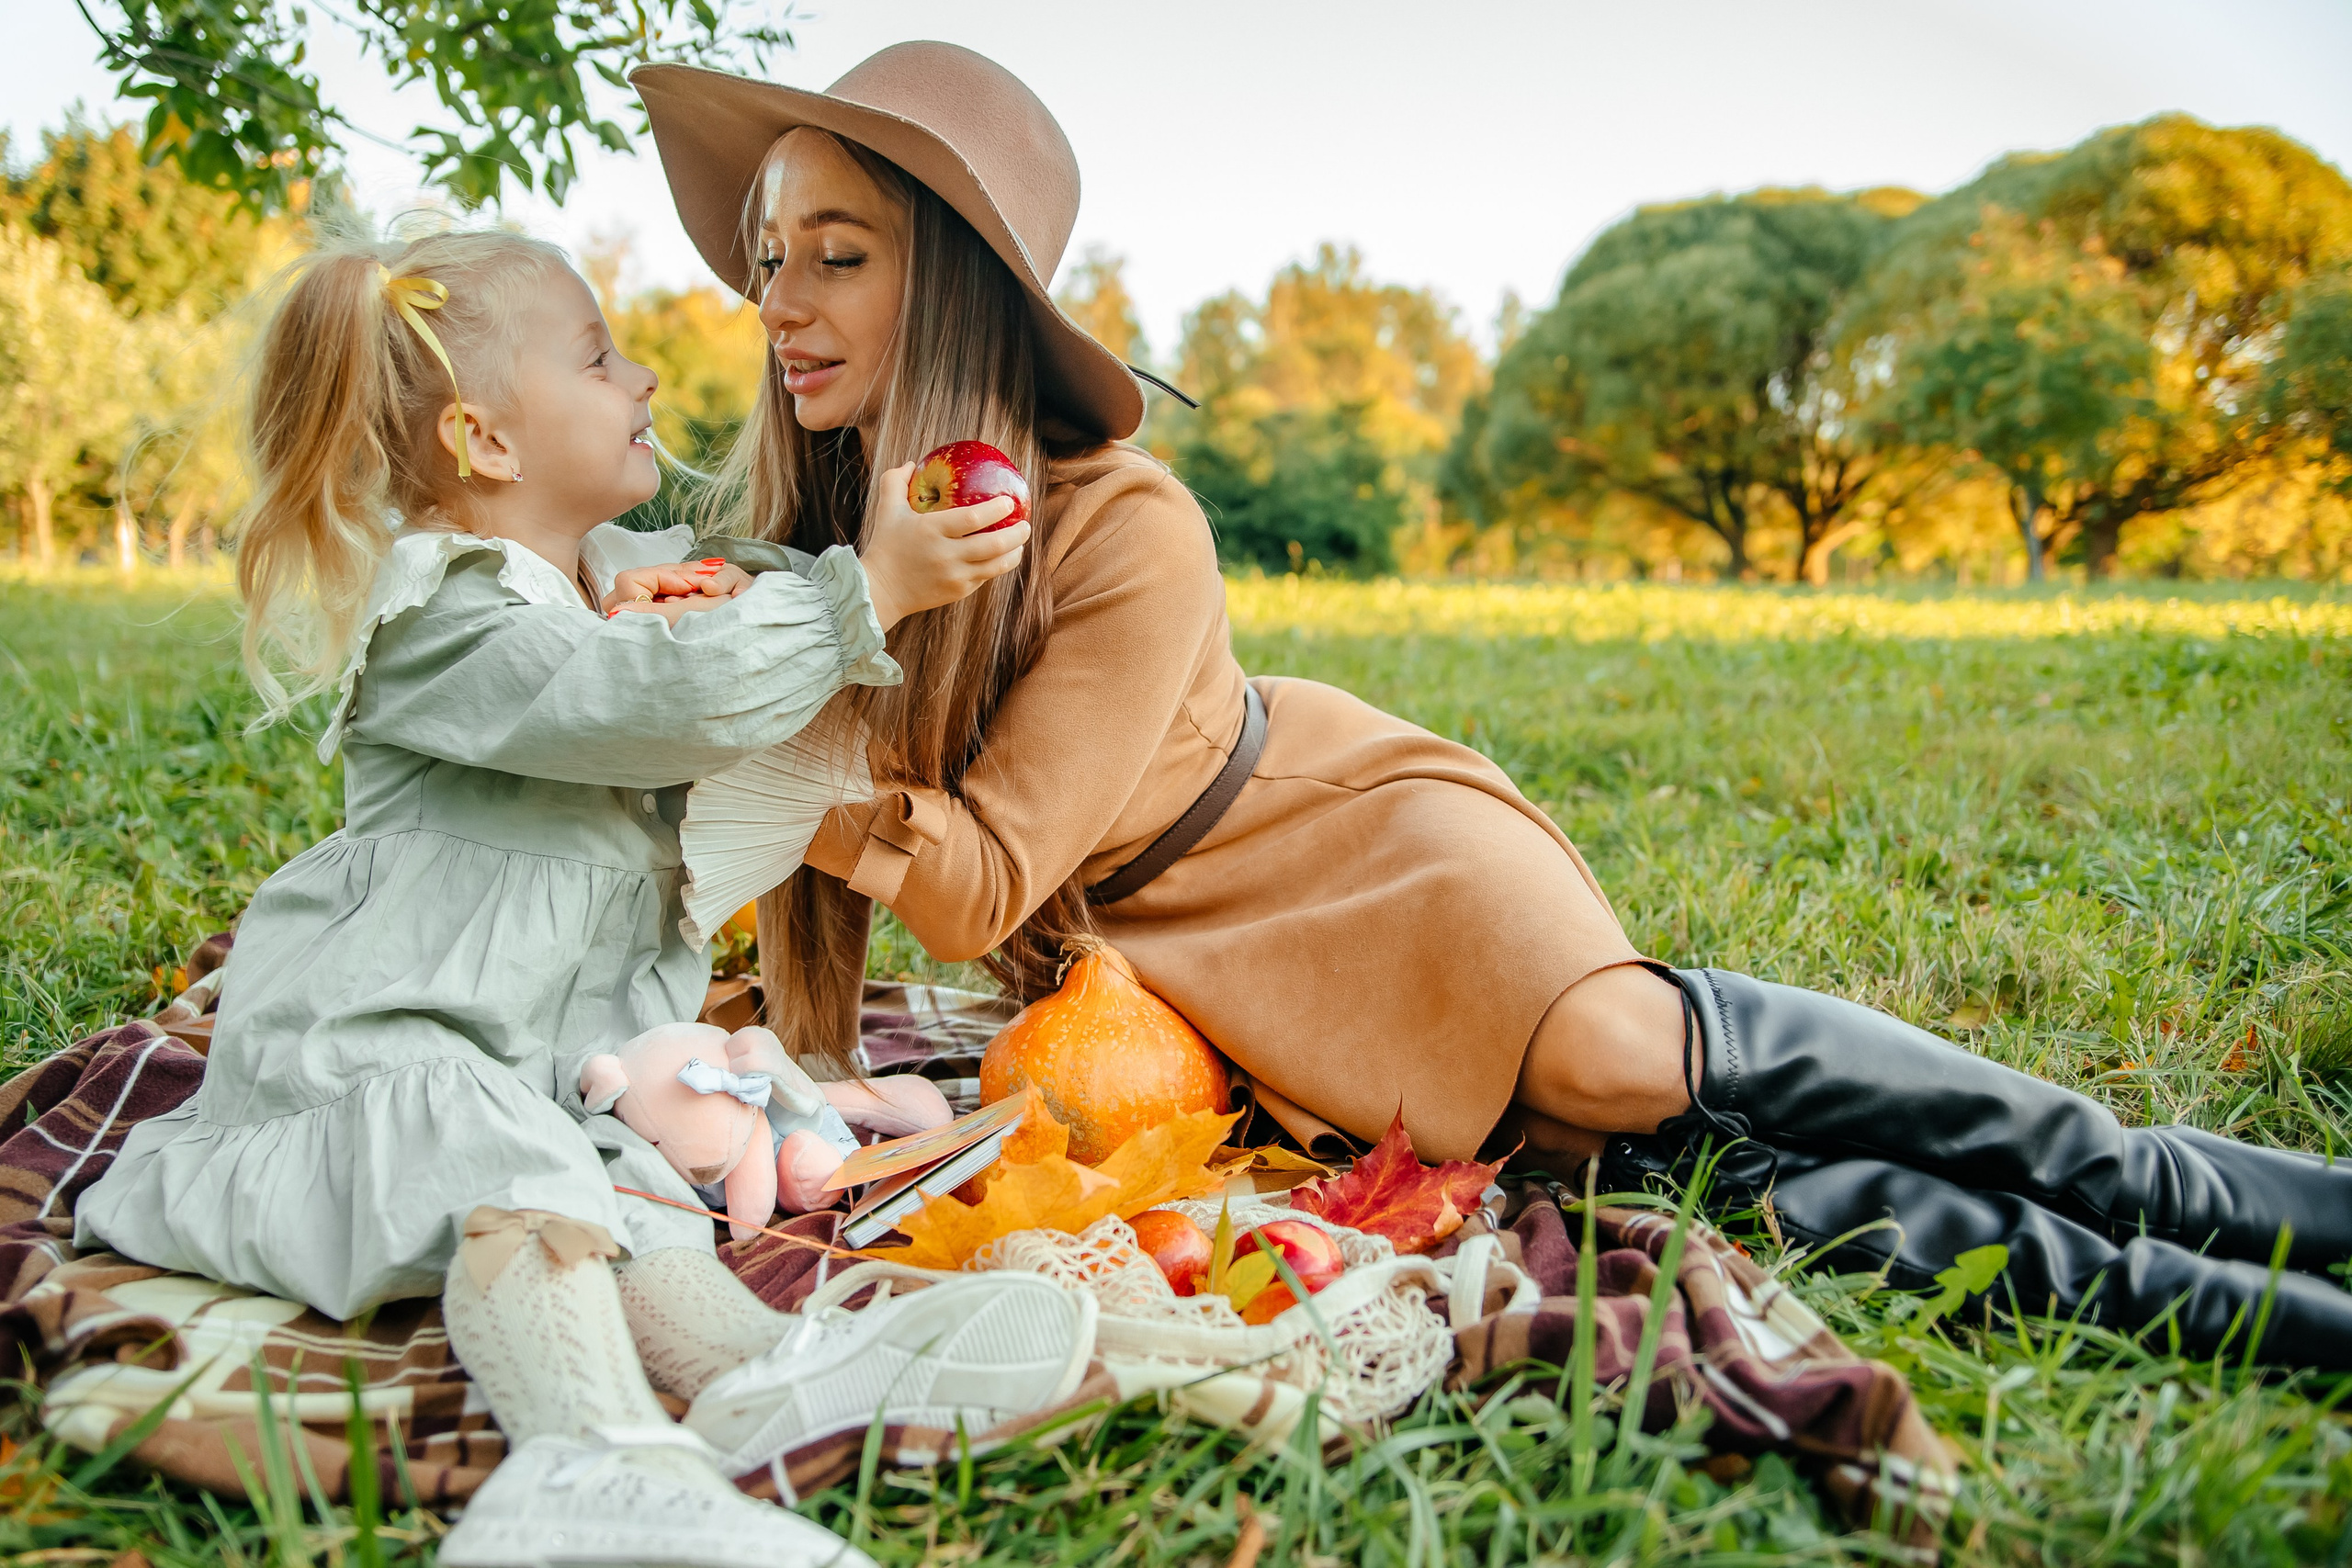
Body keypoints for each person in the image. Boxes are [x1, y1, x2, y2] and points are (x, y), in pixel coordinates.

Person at [632, 41, 2352, 1368]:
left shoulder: (1126, 527)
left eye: (835, 256)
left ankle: (2179, 1188)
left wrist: (750, 733)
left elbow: (977, 873)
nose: (775, 301)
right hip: (1167, 971)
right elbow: (802, 883)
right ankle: (2211, 1305)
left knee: (1612, 1061)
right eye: (772, 256)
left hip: (1347, 848)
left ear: (948, 282)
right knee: (1621, 1174)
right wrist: (800, 1077)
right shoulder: (807, 551)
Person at [72, 229, 1097, 1567]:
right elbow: (667, 701)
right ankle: (584, 1461)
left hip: (551, 1069)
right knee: (522, 1171)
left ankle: (761, 1374)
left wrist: (804, 574)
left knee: (634, 1189)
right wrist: (874, 590)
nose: (646, 374)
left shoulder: (601, 581)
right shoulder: (451, 616)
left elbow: (722, 606)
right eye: (602, 354)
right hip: (391, 1053)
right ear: (484, 442)